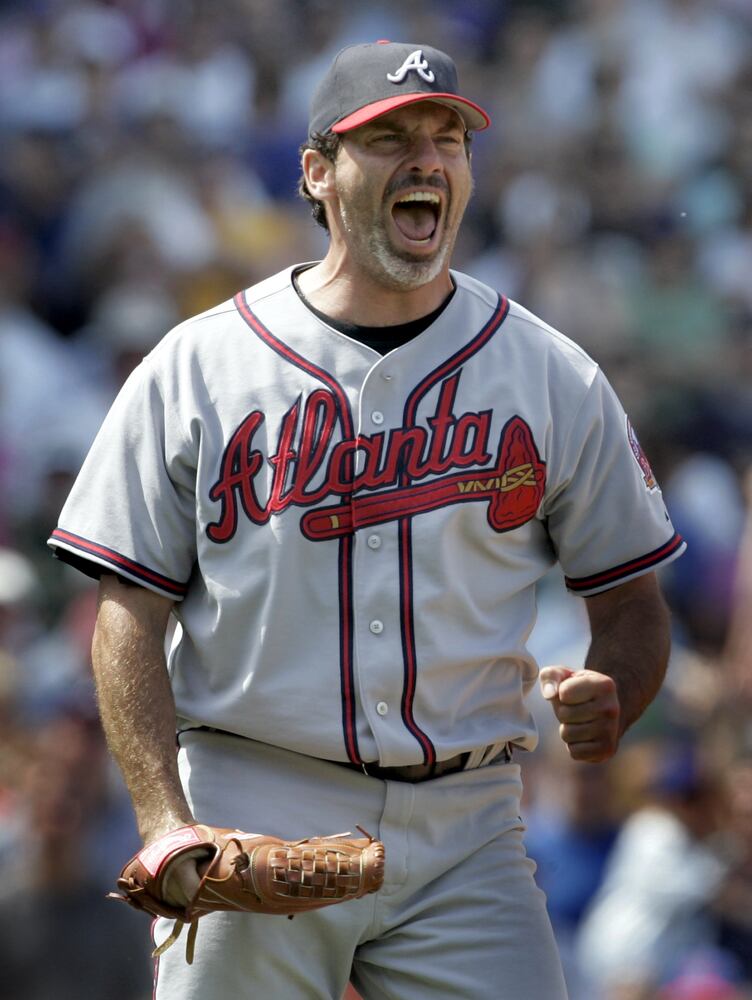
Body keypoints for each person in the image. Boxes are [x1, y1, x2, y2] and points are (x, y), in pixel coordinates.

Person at [48, 40, 685, 1000]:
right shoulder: (200, 366)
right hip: (254, 797)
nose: (426, 159)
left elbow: (631, 599)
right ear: (317, 172)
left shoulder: (551, 372)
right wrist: (164, 820)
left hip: (472, 825)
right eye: (389, 139)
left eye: (447, 138)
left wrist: (618, 688)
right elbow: (127, 615)